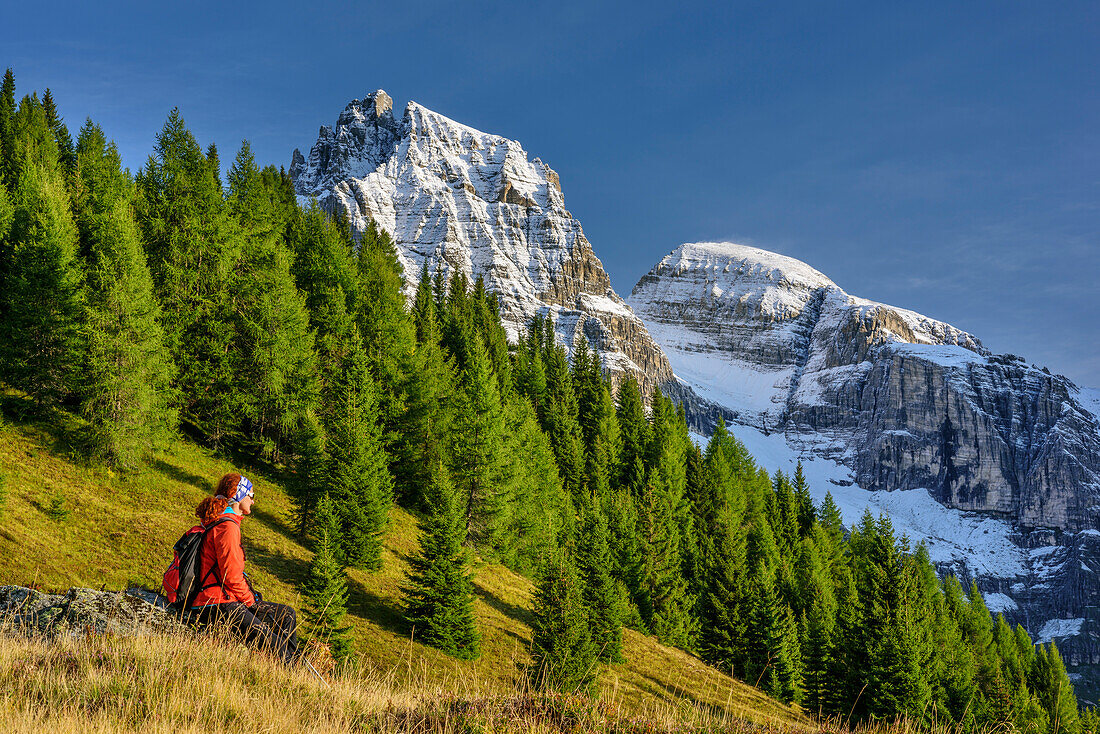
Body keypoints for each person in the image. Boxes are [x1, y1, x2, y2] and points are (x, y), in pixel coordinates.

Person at [165, 472, 300, 665]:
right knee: (277, 646)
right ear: (239, 496)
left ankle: (290, 667)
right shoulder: (228, 527)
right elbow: (232, 576)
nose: (253, 502)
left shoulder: (218, 521)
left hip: (217, 599)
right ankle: (291, 671)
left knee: (286, 615)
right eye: (251, 496)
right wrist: (251, 603)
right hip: (216, 603)